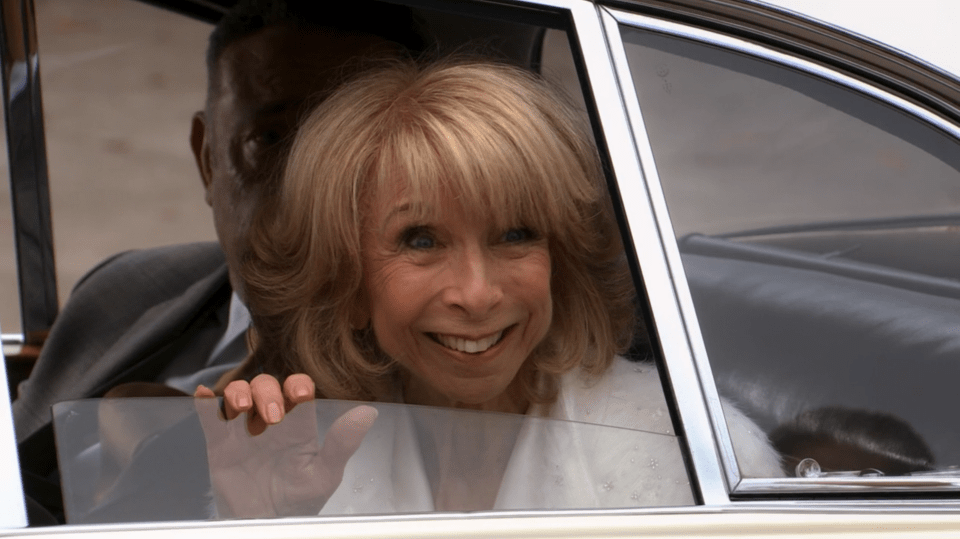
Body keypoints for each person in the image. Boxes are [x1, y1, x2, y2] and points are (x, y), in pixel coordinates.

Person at [194, 58, 784, 517]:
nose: (476, 295)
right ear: (346, 281)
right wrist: (261, 527)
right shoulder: (306, 463)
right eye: (421, 240)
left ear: (562, 259)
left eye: (515, 234)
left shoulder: (697, 458)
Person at [14, 0, 426, 524]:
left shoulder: (437, 372)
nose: (309, 186)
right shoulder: (123, 289)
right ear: (208, 158)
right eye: (271, 139)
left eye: (358, 147)